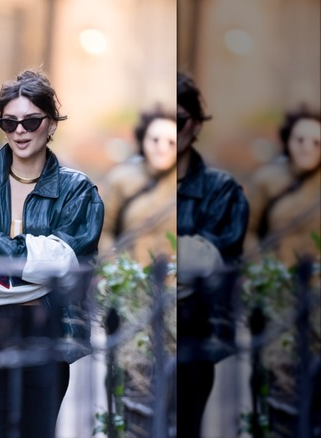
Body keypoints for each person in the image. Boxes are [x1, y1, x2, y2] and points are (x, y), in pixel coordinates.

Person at [0, 69, 104, 437]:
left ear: (50, 123)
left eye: (31, 121)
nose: (20, 131)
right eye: (9, 122)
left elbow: (70, 269)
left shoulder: (77, 192)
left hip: (45, 335)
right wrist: (40, 267)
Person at [175, 72, 249, 438]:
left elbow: (209, 263)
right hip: (136, 336)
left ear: (196, 123)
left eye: (179, 120)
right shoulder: (131, 186)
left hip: (194, 335)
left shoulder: (220, 190)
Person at [99, 107, 177, 265]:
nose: (162, 149)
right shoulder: (120, 179)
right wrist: (117, 269)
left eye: (171, 142)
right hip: (131, 282)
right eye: (155, 140)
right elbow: (102, 231)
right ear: (143, 140)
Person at [244, 107, 321, 265]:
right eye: (300, 140)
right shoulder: (266, 179)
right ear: (288, 141)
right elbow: (246, 230)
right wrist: (261, 266)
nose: (307, 149)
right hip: (276, 279)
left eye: (316, 143)